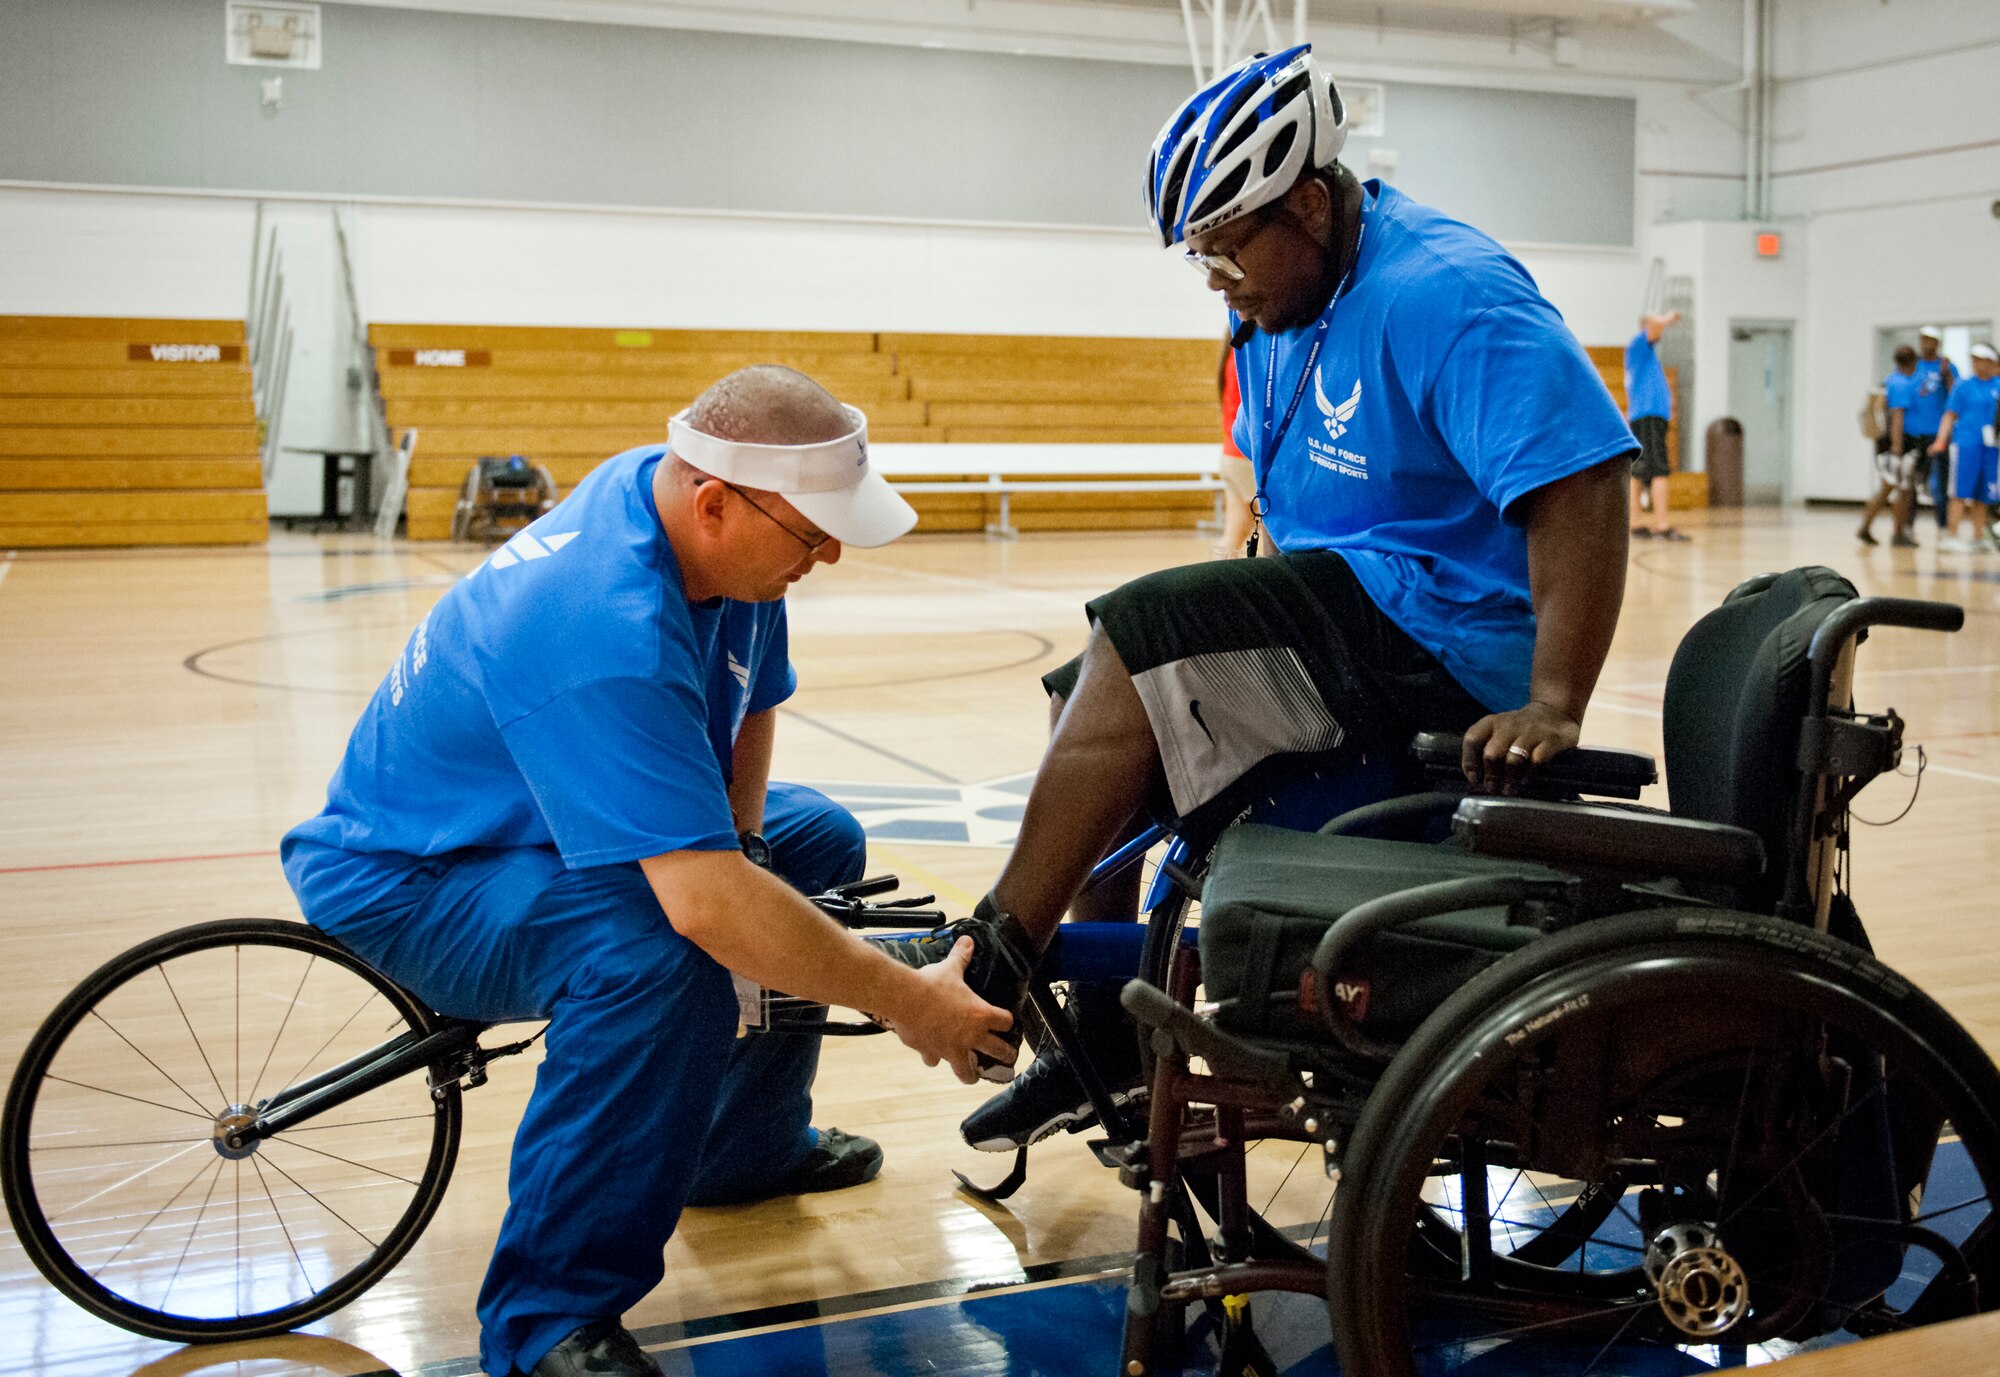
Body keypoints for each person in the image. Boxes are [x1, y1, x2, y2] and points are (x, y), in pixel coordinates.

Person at [940, 45, 1635, 1153]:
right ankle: (1106, 1047)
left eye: (1227, 249)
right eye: (1199, 258)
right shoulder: (1276, 307)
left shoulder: (1445, 292)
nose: (1217, 278)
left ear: (1307, 203)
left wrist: (1553, 701)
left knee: (1141, 631)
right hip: (1353, 613)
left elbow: (1583, 479)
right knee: (1088, 687)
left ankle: (995, 960)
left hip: (1445, 641)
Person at [280, 366, 1017, 1377]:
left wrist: (750, 851)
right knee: (659, 962)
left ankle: (741, 1150)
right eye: (813, 534)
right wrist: (909, 1003)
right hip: (418, 876)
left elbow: (754, 696)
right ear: (716, 503)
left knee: (815, 843)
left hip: (522, 813)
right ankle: (547, 1323)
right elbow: (708, 908)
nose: (830, 552)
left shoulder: (693, 513)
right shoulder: (598, 624)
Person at [1625, 310, 1689, 541]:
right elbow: (1653, 324)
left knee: (1640, 470)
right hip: (1649, 417)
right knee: (1659, 470)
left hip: (1648, 417)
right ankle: (1661, 525)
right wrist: (1667, 318)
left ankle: (1637, 523)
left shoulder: (1644, 355)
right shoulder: (1639, 345)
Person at [1932, 342, 2000, 554]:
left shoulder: (1997, 385)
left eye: (1981, 360)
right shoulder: (1963, 386)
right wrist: (1940, 441)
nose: (1977, 364)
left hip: (1991, 448)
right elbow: (1949, 415)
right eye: (1974, 360)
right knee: (1960, 492)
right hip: (1966, 445)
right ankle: (1951, 536)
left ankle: (1978, 538)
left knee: (1983, 495)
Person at [1857, 346, 1922, 547]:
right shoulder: (1902, 384)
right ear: (1913, 363)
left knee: (1890, 487)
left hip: (1884, 446)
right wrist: (1897, 447)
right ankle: (1897, 533)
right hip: (1896, 446)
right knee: (1900, 489)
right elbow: (1897, 416)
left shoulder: (1888, 380)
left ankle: (1867, 527)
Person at [1911, 326, 1957, 533]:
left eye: (1931, 340)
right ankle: (1908, 523)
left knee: (1943, 480)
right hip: (1916, 431)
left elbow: (1956, 395)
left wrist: (1946, 375)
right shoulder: (1913, 365)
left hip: (1940, 433)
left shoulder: (1947, 366)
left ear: (1938, 343)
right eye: (1924, 339)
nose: (1927, 343)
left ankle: (1943, 523)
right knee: (1913, 479)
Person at [1213, 337, 1256, 557]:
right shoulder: (1252, 354)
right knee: (1272, 537)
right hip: (1247, 457)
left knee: (1231, 538)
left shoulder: (1232, 354)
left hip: (1231, 454)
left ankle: (1211, 586)